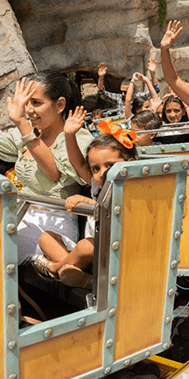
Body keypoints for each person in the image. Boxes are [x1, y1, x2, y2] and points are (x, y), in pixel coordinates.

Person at [0, 71, 94, 265]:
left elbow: (52, 172)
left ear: (59, 105)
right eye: (25, 103)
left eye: (35, 103)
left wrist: (21, 123)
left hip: (54, 227)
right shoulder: (26, 135)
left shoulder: (77, 137)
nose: (28, 110)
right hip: (21, 214)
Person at [34, 119, 138, 287]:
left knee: (85, 246)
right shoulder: (96, 187)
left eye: (110, 165)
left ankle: (55, 268)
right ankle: (82, 277)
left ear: (130, 165)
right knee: (46, 237)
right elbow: (78, 163)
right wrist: (69, 135)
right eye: (96, 168)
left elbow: (117, 212)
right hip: (90, 257)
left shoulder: (132, 191)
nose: (103, 173)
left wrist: (89, 203)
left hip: (113, 255)